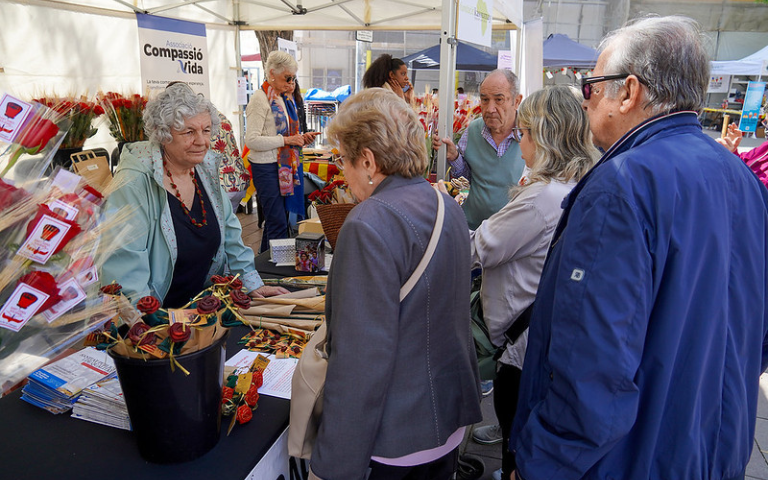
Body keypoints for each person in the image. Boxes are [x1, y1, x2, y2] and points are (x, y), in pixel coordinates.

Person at [510, 16, 768, 480]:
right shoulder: (741, 179)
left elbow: (591, 366)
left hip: (633, 459)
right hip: (715, 446)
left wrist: (542, 463)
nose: (585, 100)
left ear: (628, 92)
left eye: (591, 86)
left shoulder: (622, 185)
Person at [308, 88, 482, 480]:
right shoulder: (447, 205)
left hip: (397, 434)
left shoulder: (368, 222)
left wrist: (335, 464)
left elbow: (360, 359)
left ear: (367, 161)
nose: (342, 171)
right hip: (447, 417)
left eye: (343, 159)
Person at [453, 86, 598, 480]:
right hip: (540, 334)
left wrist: (442, 217)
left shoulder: (542, 198)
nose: (522, 140)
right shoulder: (575, 184)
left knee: (518, 435)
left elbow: (476, 249)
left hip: (522, 344)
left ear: (546, 137)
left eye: (527, 132)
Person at [101, 82, 288, 307]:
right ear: (163, 135)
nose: (201, 141)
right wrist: (151, 322)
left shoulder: (203, 170)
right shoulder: (133, 184)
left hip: (202, 308)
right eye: (189, 132)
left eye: (206, 130)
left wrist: (252, 283)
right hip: (157, 320)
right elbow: (125, 268)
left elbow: (229, 232)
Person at [245, 51, 319, 253]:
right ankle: (277, 270)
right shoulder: (259, 100)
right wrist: (286, 140)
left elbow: (285, 133)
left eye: (293, 78)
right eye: (288, 77)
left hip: (281, 166)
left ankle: (263, 265)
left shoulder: (281, 98)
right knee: (277, 222)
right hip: (266, 167)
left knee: (275, 221)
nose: (291, 82)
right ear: (271, 73)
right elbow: (251, 140)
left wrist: (300, 138)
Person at [432, 70, 525, 229]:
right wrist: (454, 157)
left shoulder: (529, 136)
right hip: (473, 230)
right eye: (484, 99)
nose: (490, 108)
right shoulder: (473, 130)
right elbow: (464, 181)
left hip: (513, 235)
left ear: (516, 101)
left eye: (499, 100)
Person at [213, 112, 251, 212]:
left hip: (221, 184)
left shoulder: (203, 126)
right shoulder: (222, 118)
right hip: (239, 180)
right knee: (230, 220)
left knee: (221, 223)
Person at [717, 118, 768, 187]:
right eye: (766, 123)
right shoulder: (765, 147)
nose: (766, 128)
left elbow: (760, 188)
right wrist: (732, 151)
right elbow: (745, 161)